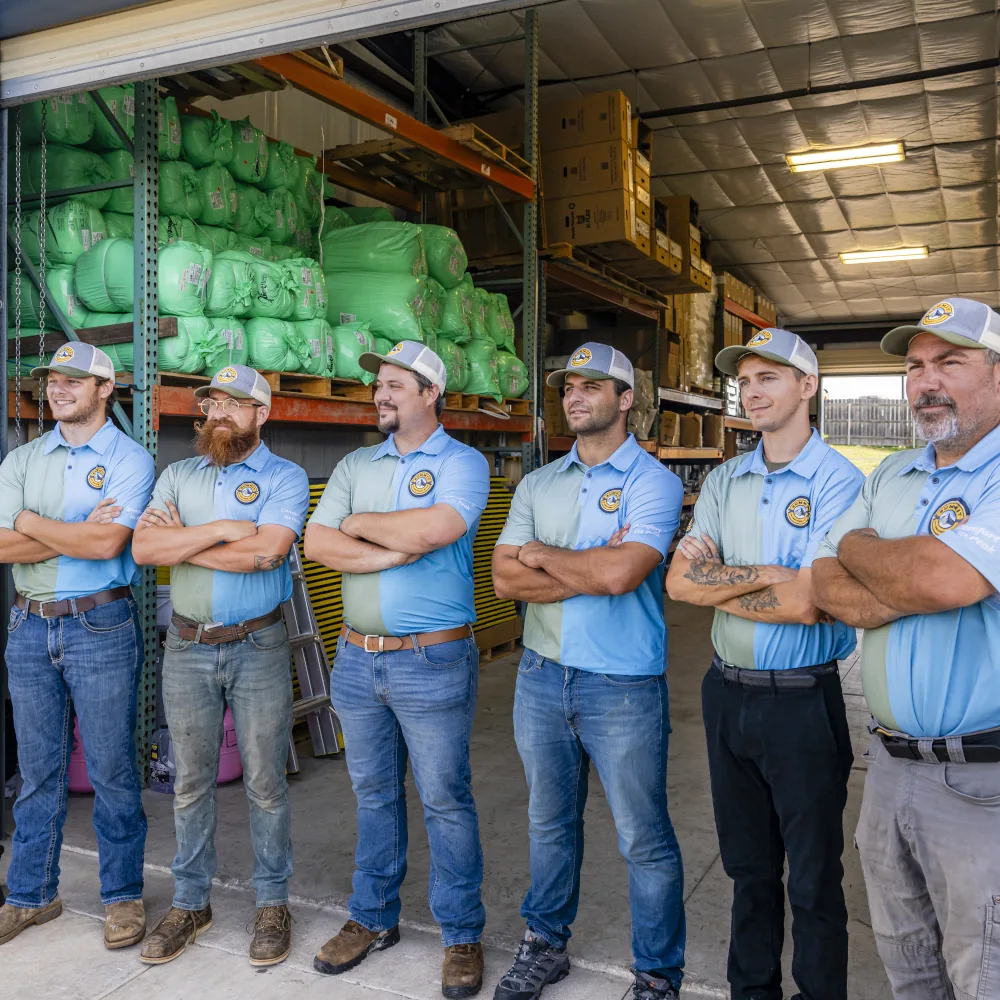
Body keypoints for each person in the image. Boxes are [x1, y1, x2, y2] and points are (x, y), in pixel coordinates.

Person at [666, 328, 863, 1000]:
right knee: (749, 872)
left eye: (768, 378)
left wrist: (727, 584)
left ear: (807, 386)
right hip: (727, 697)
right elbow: (680, 583)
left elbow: (811, 601)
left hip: (803, 704)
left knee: (811, 880)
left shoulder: (842, 483)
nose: (751, 392)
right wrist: (769, 581)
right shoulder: (725, 478)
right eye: (744, 381)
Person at [813, 297, 1000, 1000]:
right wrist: (907, 574)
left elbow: (944, 575)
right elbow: (826, 583)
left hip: (982, 787)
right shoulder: (892, 474)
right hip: (888, 769)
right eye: (916, 366)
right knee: (910, 971)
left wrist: (865, 550)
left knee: (983, 974)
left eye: (950, 362)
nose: (926, 381)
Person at [491, 342, 686, 1000]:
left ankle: (658, 974)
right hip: (542, 678)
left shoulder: (652, 482)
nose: (574, 396)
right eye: (568, 385)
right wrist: (584, 568)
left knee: (643, 836)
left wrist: (544, 555)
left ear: (625, 399)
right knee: (548, 823)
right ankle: (546, 943)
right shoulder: (539, 483)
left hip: (623, 687)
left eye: (592, 386)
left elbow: (623, 571)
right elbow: (501, 578)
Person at [304, 341, 491, 999]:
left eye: (393, 385)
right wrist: (384, 546)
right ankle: (373, 917)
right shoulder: (358, 462)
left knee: (445, 798)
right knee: (374, 794)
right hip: (357, 659)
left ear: (429, 392)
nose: (380, 394)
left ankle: (462, 933)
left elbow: (436, 528)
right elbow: (318, 543)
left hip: (431, 659)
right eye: (377, 385)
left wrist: (361, 527)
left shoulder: (463, 463)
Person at [131, 364, 308, 968]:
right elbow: (145, 549)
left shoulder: (284, 477)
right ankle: (190, 902)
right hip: (186, 646)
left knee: (265, 783)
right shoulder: (179, 473)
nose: (219, 414)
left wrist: (191, 539)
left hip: (257, 645)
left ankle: (272, 903)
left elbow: (268, 552)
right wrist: (227, 531)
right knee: (189, 783)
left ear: (264, 413)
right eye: (212, 404)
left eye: (235, 404)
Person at [0, 343, 153, 950]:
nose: (57, 388)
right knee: (37, 771)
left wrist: (32, 523)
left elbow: (107, 546)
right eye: (51, 379)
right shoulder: (23, 458)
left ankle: (122, 896)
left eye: (72, 379)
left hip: (100, 625)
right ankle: (32, 895)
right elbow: (2, 548)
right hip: (29, 626)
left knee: (113, 768)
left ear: (104, 388)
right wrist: (77, 530)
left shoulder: (130, 459)